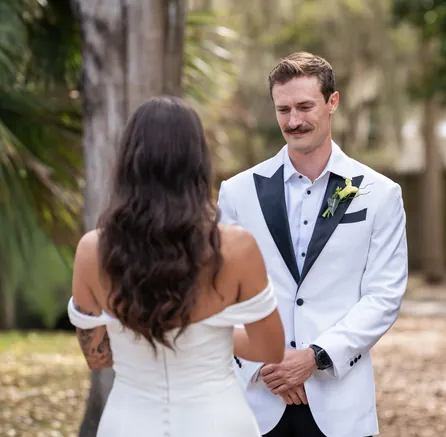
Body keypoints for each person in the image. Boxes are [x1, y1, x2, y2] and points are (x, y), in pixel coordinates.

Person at [68, 96, 286, 437]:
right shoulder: (236, 247)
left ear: (128, 162)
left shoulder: (92, 250)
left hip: (129, 423)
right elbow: (269, 349)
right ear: (198, 163)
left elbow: (97, 357)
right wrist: (209, 334)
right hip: (218, 422)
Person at [217, 52, 409, 437]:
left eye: (305, 106)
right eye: (283, 109)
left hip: (339, 404)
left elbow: (383, 296)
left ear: (332, 102)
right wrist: (265, 364)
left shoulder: (379, 194)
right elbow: (221, 292)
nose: (293, 121)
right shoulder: (237, 192)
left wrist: (314, 357)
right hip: (256, 402)